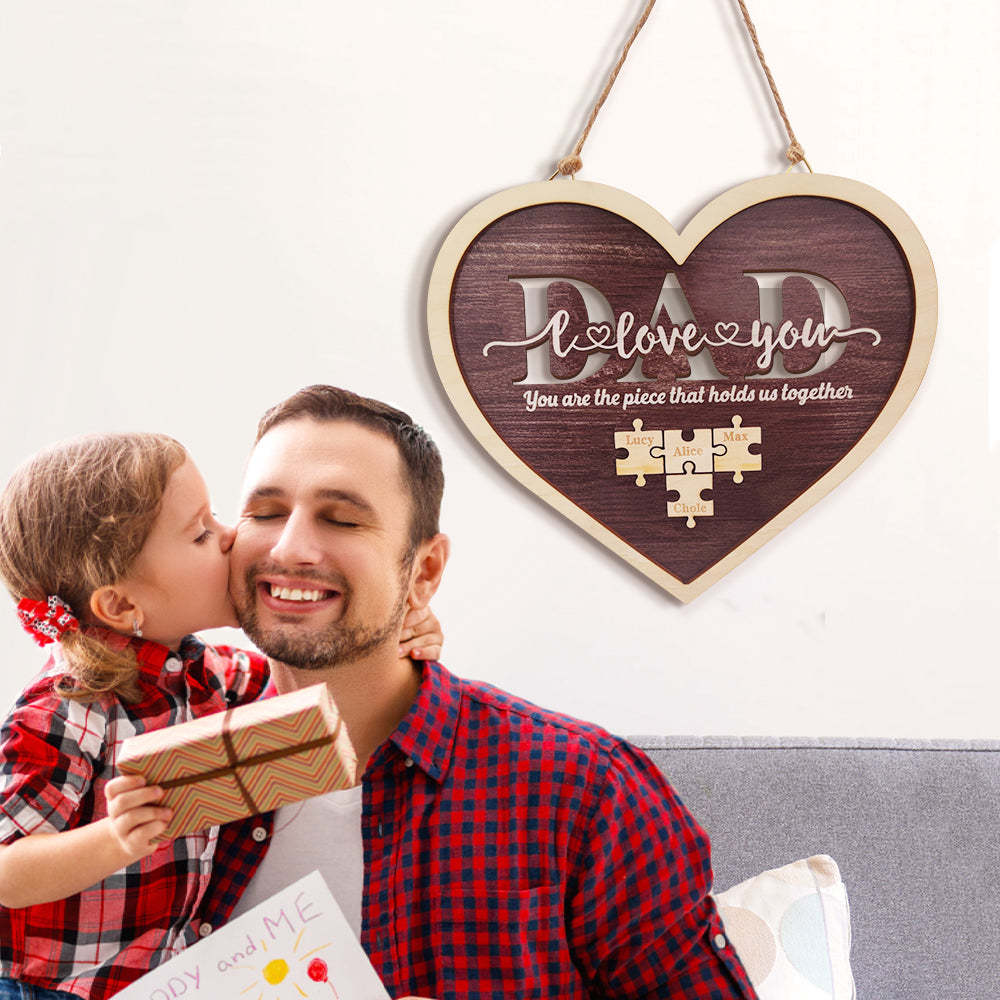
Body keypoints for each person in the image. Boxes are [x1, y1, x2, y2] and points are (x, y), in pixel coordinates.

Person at [195, 385, 758, 1000]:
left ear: (425, 571)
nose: (288, 547)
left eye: (342, 519)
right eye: (266, 512)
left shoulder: (584, 790)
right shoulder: (149, 741)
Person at [0, 432, 441, 1000]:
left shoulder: (202, 671)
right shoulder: (69, 708)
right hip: (48, 989)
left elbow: (306, 678)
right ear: (122, 606)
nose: (231, 535)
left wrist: (407, 629)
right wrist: (116, 838)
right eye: (202, 532)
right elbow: (8, 873)